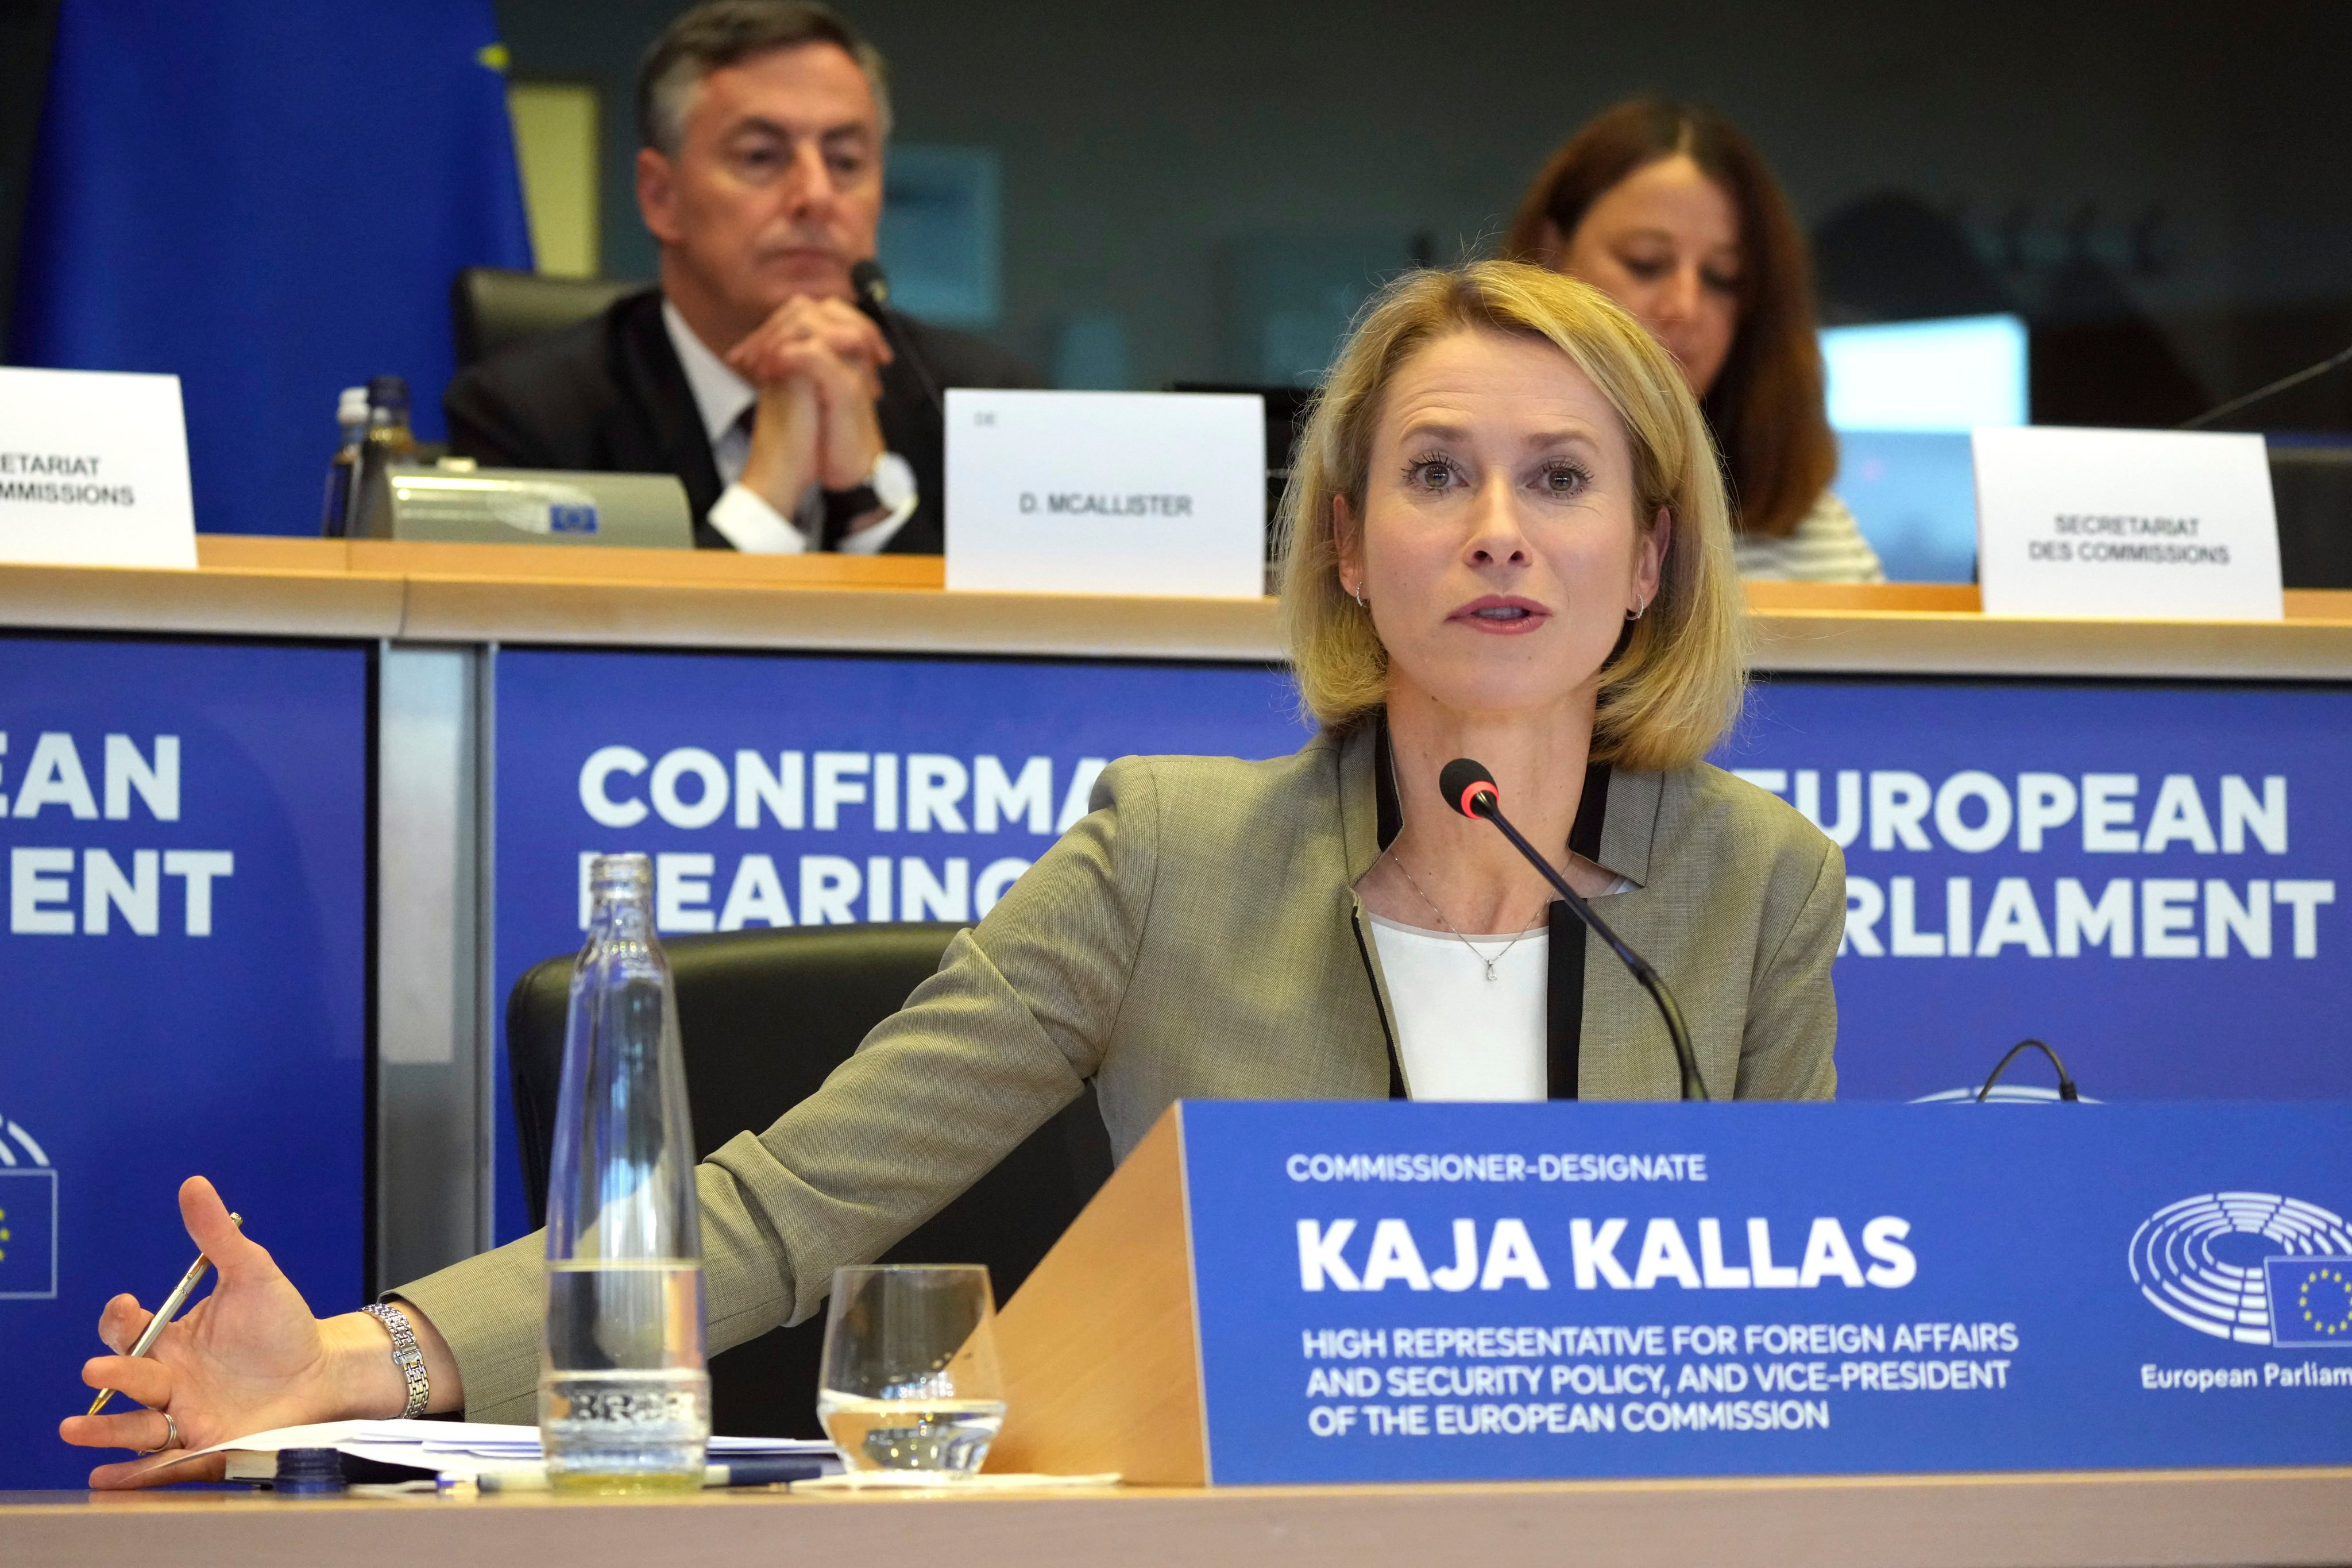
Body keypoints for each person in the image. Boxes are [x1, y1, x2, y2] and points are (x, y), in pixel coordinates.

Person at [63, 262, 1841, 1483]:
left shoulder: (1754, 889)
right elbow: (779, 1206)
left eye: (1561, 478)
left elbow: (1802, 1340)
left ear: (1654, 551)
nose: (1500, 529)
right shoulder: (1174, 857)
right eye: (1437, 474)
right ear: (1353, 553)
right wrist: (350, 1363)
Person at [444, 1, 1042, 555]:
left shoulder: (980, 410)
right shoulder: (529, 418)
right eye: (761, 157)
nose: (815, 196)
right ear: (660, 196)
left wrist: (868, 501)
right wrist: (765, 494)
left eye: (846, 162)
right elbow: (569, 665)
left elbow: (1020, 663)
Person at [1505, 98, 1885, 584]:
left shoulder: (1816, 538)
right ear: (1551, 255)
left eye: (1721, 278)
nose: (1684, 306)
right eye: (1645, 262)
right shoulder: (1471, 502)